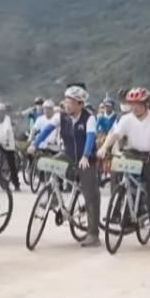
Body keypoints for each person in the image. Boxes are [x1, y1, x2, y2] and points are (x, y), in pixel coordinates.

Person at [97, 87, 150, 249]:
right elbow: (115, 134)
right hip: (133, 153)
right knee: (116, 170)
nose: (134, 107)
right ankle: (121, 209)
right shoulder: (126, 119)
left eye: (138, 104)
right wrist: (104, 148)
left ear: (146, 104)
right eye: (131, 104)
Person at [30, 86, 100, 247]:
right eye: (66, 101)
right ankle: (53, 197)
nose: (67, 104)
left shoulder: (89, 118)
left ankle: (93, 234)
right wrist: (35, 143)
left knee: (91, 196)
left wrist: (85, 156)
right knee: (50, 163)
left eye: (71, 102)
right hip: (68, 154)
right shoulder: (61, 117)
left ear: (80, 104)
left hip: (86, 158)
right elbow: (46, 129)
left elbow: (90, 138)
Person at [0, 102, 21, 191]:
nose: (0, 113)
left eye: (2, 112)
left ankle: (16, 184)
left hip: (8, 143)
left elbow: (7, 130)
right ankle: (2, 181)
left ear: (4, 112)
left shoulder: (7, 119)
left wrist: (5, 140)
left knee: (11, 164)